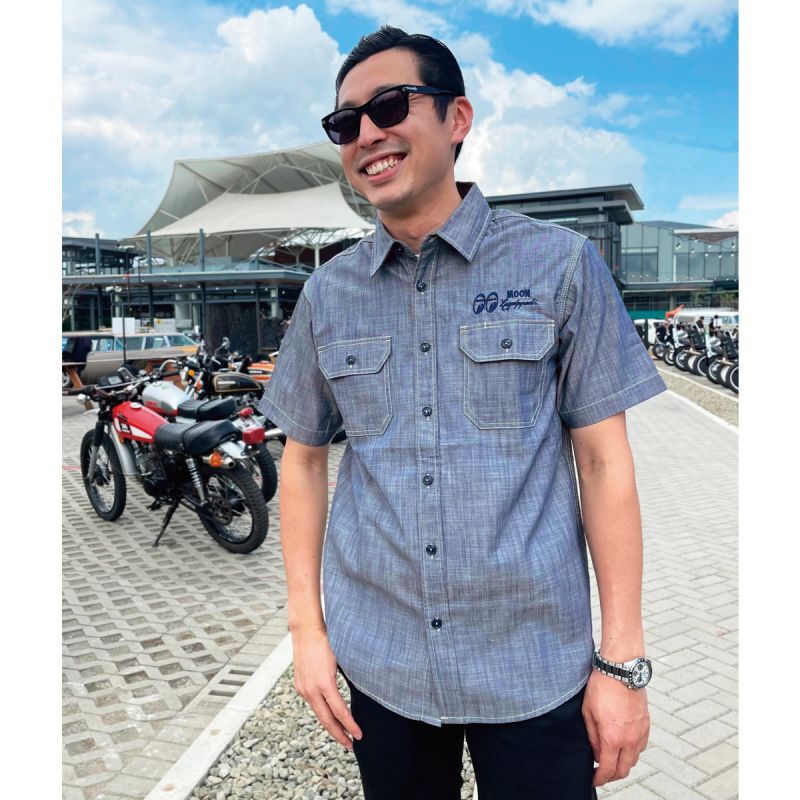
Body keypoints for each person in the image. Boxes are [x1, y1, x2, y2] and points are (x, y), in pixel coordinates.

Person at [259, 26, 666, 800]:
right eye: (345, 123)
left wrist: (622, 663)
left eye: (389, 106)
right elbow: (304, 461)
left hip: (533, 664)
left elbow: (605, 464)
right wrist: (307, 630)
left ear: (457, 118)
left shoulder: (559, 265)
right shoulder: (327, 295)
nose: (366, 134)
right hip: (384, 663)